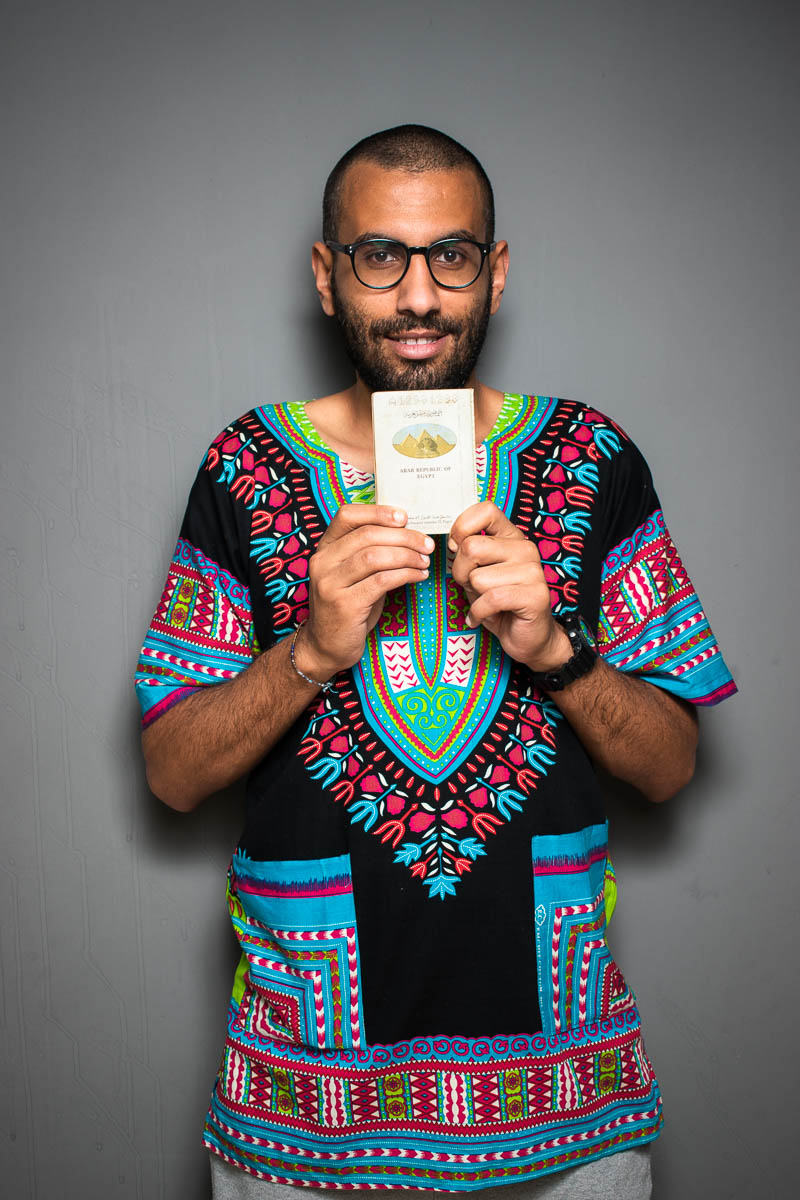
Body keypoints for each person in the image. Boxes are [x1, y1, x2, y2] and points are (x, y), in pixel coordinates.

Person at [135, 126, 736, 1199]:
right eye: (380, 256)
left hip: (564, 1113)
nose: (417, 297)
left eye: (449, 256)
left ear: (493, 275)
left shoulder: (588, 456)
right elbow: (173, 775)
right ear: (327, 277)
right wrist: (311, 652)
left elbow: (670, 767)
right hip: (303, 1115)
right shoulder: (243, 466)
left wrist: (553, 651)